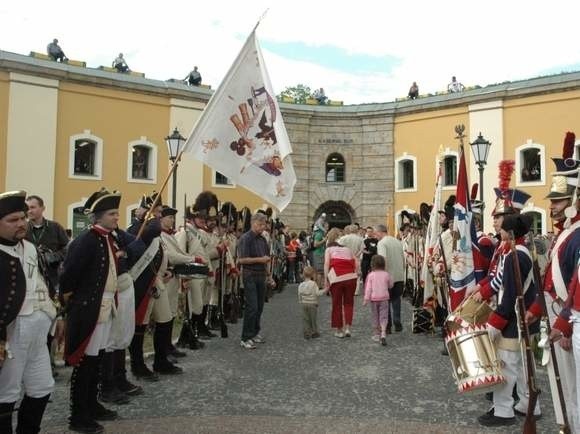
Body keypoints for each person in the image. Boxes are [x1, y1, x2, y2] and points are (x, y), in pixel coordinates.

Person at [526, 132, 580, 432]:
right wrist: (536, 308)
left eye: (559, 200)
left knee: (575, 392)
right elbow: (550, 282)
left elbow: (575, 286)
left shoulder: (576, 235)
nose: (553, 206)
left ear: (574, 200)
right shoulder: (565, 233)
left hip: (569, 321)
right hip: (560, 319)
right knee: (566, 392)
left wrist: (566, 324)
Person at [59, 188, 123, 433]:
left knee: (96, 360)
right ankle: (78, 415)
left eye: (117, 213)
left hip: (106, 308)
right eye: (112, 214)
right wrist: (76, 304)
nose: (117, 217)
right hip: (90, 308)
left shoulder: (109, 238)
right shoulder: (86, 241)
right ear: (97, 217)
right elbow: (68, 277)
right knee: (85, 363)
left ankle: (92, 404)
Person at [0, 190, 55, 434]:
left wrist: (56, 314)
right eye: (13, 220)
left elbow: (42, 283)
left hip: (38, 332)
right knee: (5, 394)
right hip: (11, 335)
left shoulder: (31, 248)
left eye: (22, 218)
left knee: (42, 387)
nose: (21, 224)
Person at [478, 214, 541, 427]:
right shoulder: (520, 252)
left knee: (506, 366)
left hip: (514, 319)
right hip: (523, 317)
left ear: (510, 232)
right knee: (525, 366)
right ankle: (528, 404)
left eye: (503, 228)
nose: (499, 231)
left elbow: (510, 293)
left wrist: (497, 322)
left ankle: (504, 411)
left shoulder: (515, 255)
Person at [237, 212, 274, 349]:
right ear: (253, 223)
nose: (262, 227)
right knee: (252, 307)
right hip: (250, 275)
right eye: (260, 224)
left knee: (259, 307)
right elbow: (241, 260)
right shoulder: (246, 238)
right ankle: (245, 337)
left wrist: (269, 276)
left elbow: (266, 260)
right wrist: (260, 260)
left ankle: (254, 332)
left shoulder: (262, 240)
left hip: (261, 275)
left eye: (264, 225)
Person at [324, 228, 359, 338]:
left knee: (337, 304)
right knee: (349, 303)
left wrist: (326, 280)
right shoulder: (347, 249)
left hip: (337, 278)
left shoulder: (329, 250)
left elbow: (326, 264)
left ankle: (339, 330)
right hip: (350, 278)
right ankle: (348, 328)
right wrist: (356, 274)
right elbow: (356, 263)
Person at [375, 224, 405, 333]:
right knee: (396, 299)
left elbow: (383, 259)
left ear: (380, 232)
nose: (375, 235)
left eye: (376, 233)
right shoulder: (397, 242)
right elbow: (403, 258)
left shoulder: (382, 243)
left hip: (388, 275)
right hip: (399, 275)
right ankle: (397, 321)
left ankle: (387, 326)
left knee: (385, 301)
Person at [363, 255, 393, 346]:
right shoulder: (386, 274)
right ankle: (383, 332)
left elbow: (368, 288)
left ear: (372, 264)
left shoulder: (371, 275)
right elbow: (391, 285)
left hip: (374, 299)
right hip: (384, 298)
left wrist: (366, 299)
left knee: (375, 316)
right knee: (384, 316)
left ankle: (376, 334)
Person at [298, 266, 327, 339]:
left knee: (305, 319)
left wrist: (301, 302)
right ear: (312, 275)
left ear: (303, 274)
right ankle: (314, 332)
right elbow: (317, 293)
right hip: (312, 304)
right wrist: (325, 290)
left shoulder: (301, 285)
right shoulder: (313, 284)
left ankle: (306, 332)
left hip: (304, 304)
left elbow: (299, 295)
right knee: (313, 319)